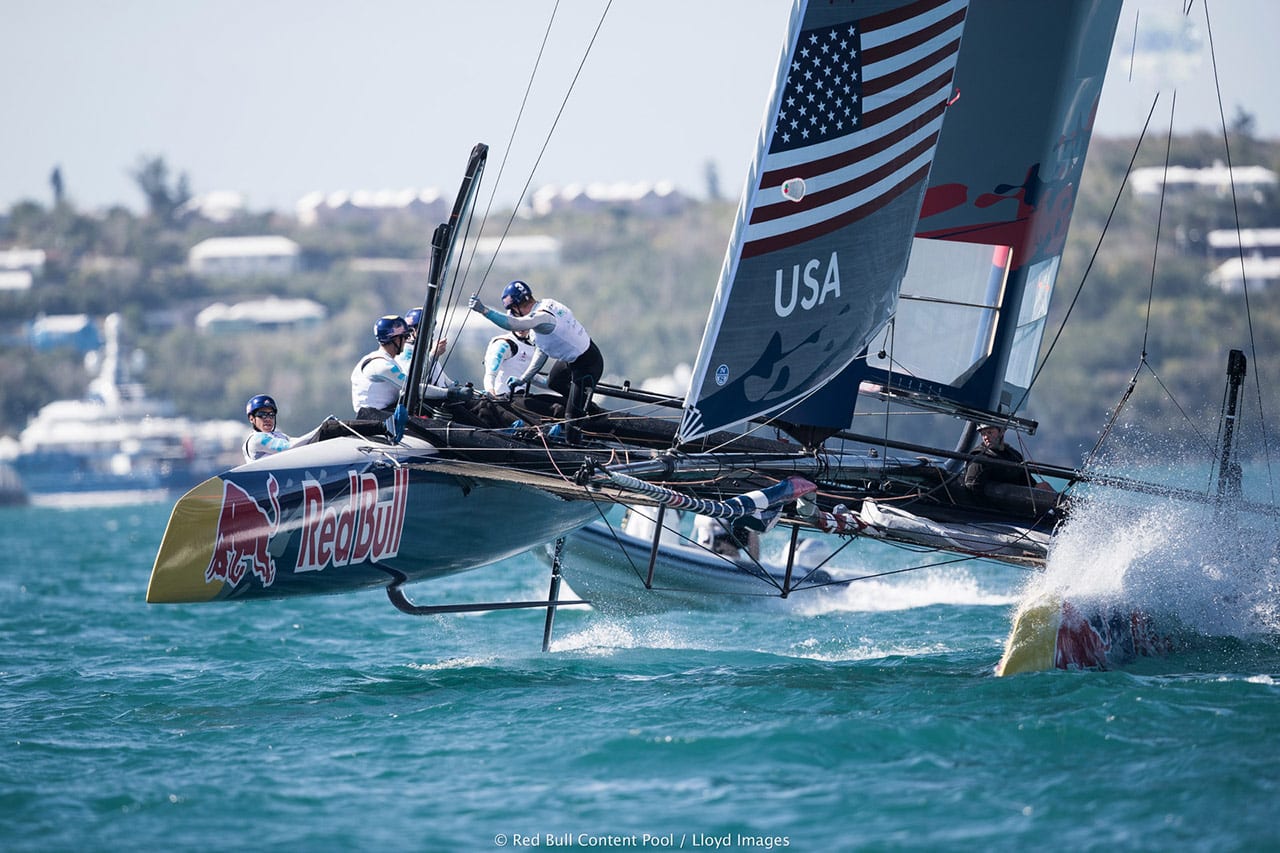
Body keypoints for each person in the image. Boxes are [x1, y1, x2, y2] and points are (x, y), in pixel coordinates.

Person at [469, 280, 604, 439]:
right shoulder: (546, 305)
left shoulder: (541, 317)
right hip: (571, 360)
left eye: (513, 310)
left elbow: (514, 324)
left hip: (587, 364)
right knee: (554, 382)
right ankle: (584, 406)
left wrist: (484, 311)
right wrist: (523, 379)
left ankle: (584, 418)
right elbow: (542, 351)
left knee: (571, 421)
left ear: (517, 307)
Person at [962, 423, 1055, 499]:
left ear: (1001, 432)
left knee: (1044, 486)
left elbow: (1029, 483)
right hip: (998, 506)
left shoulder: (1014, 455)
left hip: (1018, 502)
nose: (986, 437)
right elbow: (971, 487)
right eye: (983, 434)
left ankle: (1065, 512)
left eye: (990, 432)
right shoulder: (979, 458)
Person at [242, 394, 321, 463]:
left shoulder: (279, 435)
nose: (268, 419)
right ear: (251, 418)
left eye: (271, 414)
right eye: (262, 414)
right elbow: (290, 447)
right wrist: (319, 430)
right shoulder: (256, 439)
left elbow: (299, 441)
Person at [482, 328, 537, 396]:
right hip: (503, 397)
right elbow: (490, 374)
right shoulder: (503, 344)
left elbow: (530, 376)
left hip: (521, 395)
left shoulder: (532, 346)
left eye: (525, 325)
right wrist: (490, 391)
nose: (521, 328)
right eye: (518, 325)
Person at [692, 514, 761, 562]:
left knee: (752, 531)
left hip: (727, 536)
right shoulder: (708, 506)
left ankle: (755, 564)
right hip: (711, 541)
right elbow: (709, 522)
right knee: (733, 552)